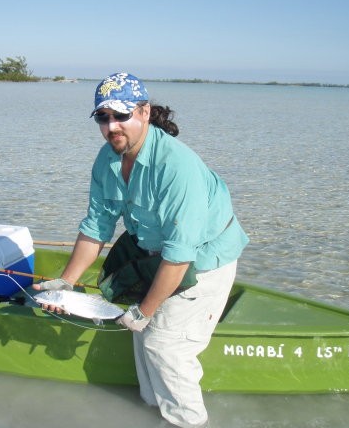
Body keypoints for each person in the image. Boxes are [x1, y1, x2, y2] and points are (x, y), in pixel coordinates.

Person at [33, 72, 249, 428]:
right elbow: (96, 227)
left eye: (121, 115)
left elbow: (180, 255)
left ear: (145, 112)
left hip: (204, 261)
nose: (112, 126)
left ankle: (188, 422)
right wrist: (66, 283)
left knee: (164, 347)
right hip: (153, 255)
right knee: (144, 341)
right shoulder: (107, 159)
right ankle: (154, 412)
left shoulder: (176, 167)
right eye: (103, 118)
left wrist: (145, 310)